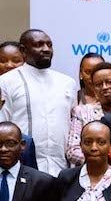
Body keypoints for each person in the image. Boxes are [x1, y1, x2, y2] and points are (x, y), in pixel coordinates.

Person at [0, 29, 76, 174]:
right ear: (23, 50)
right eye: (39, 45)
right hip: (22, 166)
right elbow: (3, 125)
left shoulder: (67, 83)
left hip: (61, 168)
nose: (46, 49)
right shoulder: (6, 82)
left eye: (49, 45)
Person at [66, 62, 111, 166]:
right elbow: (72, 151)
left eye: (110, 82)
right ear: (94, 89)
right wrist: (100, 161)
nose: (104, 87)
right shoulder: (82, 112)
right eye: (98, 84)